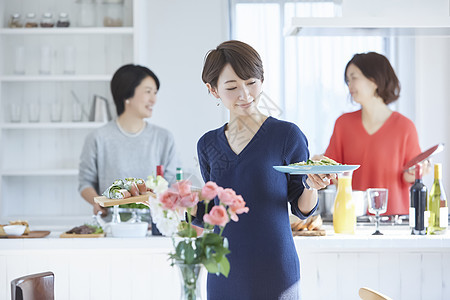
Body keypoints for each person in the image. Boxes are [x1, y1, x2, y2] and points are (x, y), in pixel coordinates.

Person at [194, 40, 334, 300]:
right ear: (213, 90)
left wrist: (311, 186)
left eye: (251, 83)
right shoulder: (207, 145)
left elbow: (302, 208)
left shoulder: (286, 135)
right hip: (223, 269)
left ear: (262, 79)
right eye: (232, 87)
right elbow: (211, 212)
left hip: (275, 270)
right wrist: (163, 200)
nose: (245, 95)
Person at [319, 52, 423, 216]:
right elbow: (331, 172)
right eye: (347, 80)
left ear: (374, 80)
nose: (349, 85)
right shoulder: (343, 124)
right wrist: (318, 164)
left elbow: (411, 177)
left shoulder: (405, 127)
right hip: (353, 220)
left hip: (395, 222)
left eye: (354, 77)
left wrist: (418, 170)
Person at [78, 64, 178, 215]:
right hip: (113, 226)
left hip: (156, 227)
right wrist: (97, 201)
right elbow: (85, 183)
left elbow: (173, 182)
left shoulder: (164, 138)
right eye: (148, 92)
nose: (154, 99)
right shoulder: (98, 138)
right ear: (127, 94)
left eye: (155, 93)